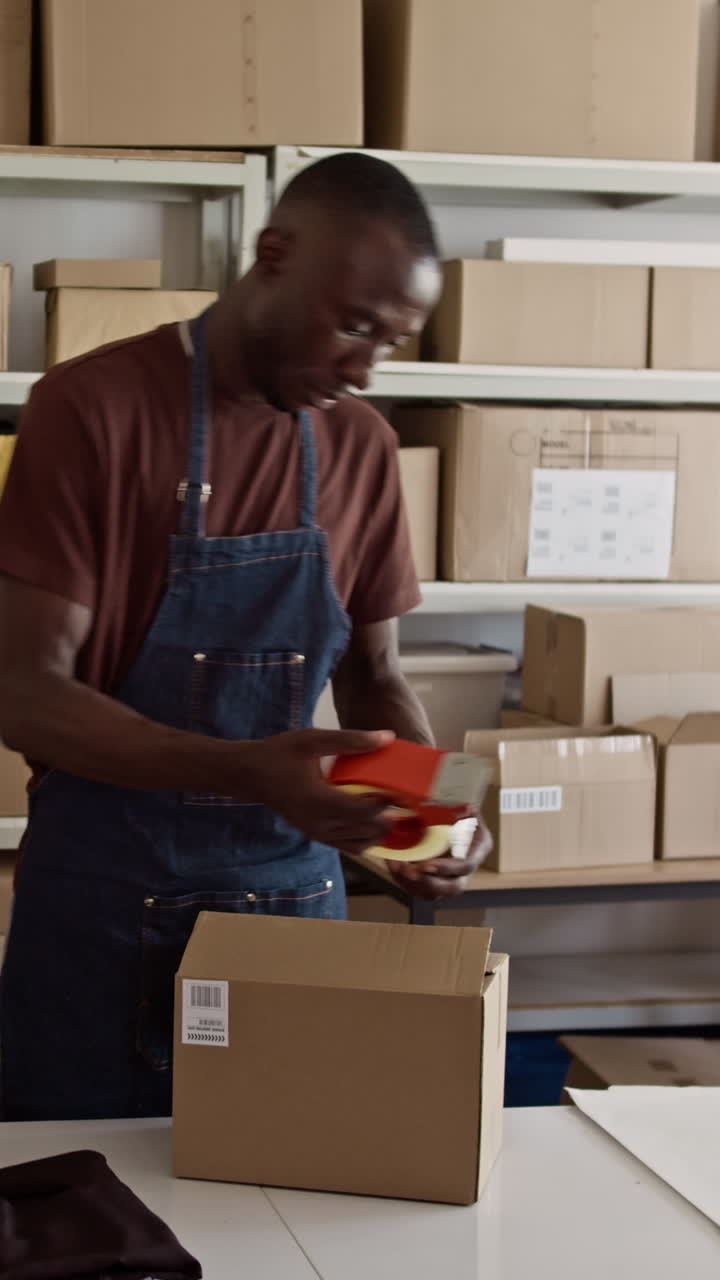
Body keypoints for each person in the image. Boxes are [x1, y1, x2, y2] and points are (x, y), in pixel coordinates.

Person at [0, 153, 490, 1122]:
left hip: (291, 908)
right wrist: (251, 769)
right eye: (352, 324)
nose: (362, 369)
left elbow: (375, 671)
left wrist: (420, 819)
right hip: (101, 900)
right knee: (87, 1212)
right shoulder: (92, 407)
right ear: (274, 255)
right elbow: (21, 687)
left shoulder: (360, 445)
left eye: (388, 344)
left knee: (284, 1199)